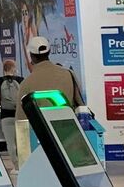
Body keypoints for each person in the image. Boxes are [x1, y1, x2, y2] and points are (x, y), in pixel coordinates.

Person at [14, 38, 83, 170]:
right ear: (49, 52)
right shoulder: (68, 75)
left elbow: (21, 121)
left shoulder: (26, 84)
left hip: (41, 143)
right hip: (68, 138)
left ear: (31, 56)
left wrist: (20, 151)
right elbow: (80, 105)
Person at [0, 58, 23, 149]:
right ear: (14, 68)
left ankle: (14, 158)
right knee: (21, 142)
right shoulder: (20, 80)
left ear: (4, 69)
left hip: (5, 115)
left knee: (10, 143)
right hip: (19, 115)